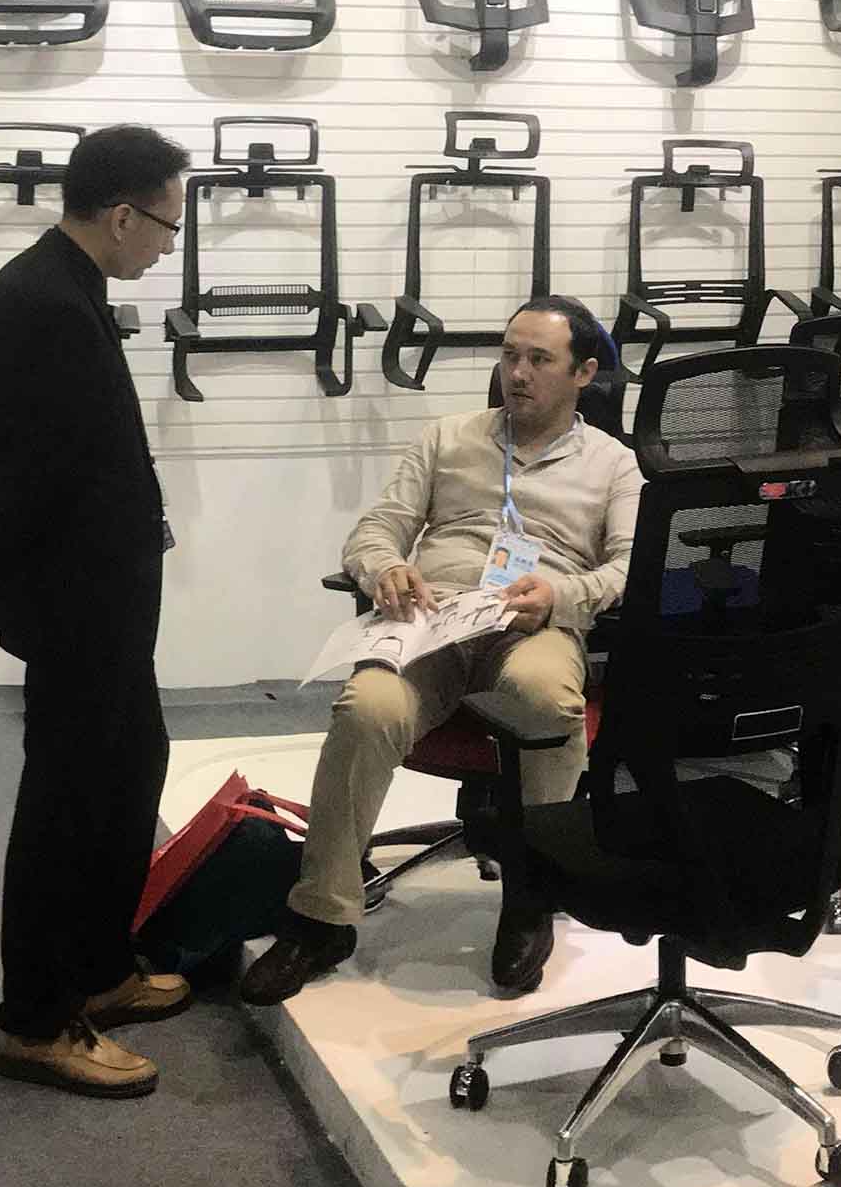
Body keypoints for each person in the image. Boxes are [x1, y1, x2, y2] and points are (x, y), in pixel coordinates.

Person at [241, 297, 641, 1005]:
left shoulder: (613, 464)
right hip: (433, 618)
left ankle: (532, 897)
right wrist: (384, 568)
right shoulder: (447, 438)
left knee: (546, 699)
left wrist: (563, 595)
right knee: (367, 706)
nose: (518, 373)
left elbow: (631, 567)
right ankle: (321, 918)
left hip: (532, 624)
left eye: (539, 360)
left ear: (584, 373)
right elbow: (376, 530)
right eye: (510, 355)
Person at [0, 123, 191, 1100]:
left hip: (106, 593)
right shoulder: (44, 300)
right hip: (77, 600)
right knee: (67, 801)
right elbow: (29, 472)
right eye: (168, 225)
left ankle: (98, 965)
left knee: (132, 766)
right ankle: (37, 1020)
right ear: (123, 215)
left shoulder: (67, 286)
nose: (169, 247)